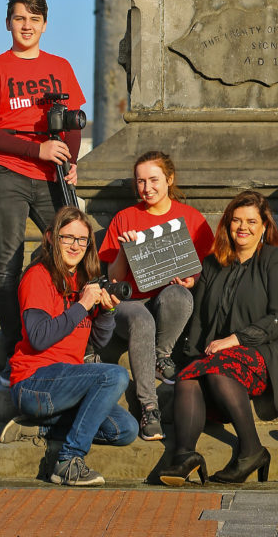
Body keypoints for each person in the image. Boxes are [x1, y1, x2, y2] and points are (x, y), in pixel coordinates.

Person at [0, 0, 85, 386]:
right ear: (8, 23)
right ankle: (15, 348)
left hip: (51, 175)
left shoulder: (61, 67)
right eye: (20, 19)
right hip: (7, 173)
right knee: (8, 261)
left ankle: (73, 339)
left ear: (45, 25)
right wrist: (37, 148)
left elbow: (71, 124)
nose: (27, 26)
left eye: (34, 20)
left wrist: (69, 160)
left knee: (74, 248)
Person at [159, 189, 278, 486]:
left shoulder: (276, 259)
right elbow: (200, 320)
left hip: (273, 352)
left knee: (217, 368)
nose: (243, 227)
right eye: (237, 221)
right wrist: (190, 359)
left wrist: (236, 339)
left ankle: (252, 449)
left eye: (252, 221)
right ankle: (184, 455)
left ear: (264, 226)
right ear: (228, 225)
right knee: (189, 378)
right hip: (223, 355)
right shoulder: (214, 263)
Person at [1, 205, 138, 486]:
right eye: (68, 237)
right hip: (33, 382)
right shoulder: (37, 277)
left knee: (126, 429)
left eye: (82, 239)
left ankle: (37, 425)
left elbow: (96, 342)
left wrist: (107, 312)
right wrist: (82, 305)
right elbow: (38, 337)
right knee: (116, 375)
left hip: (67, 384)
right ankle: (68, 461)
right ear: (51, 237)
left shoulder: (82, 280)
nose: (75, 245)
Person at [98, 150, 215, 442]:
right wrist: (125, 251)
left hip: (167, 299)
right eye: (140, 182)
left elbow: (205, 266)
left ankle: (162, 354)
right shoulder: (125, 218)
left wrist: (192, 279)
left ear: (169, 179)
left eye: (153, 180)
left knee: (180, 295)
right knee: (140, 316)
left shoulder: (190, 218)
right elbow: (113, 279)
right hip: (130, 303)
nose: (146, 188)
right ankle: (149, 407)